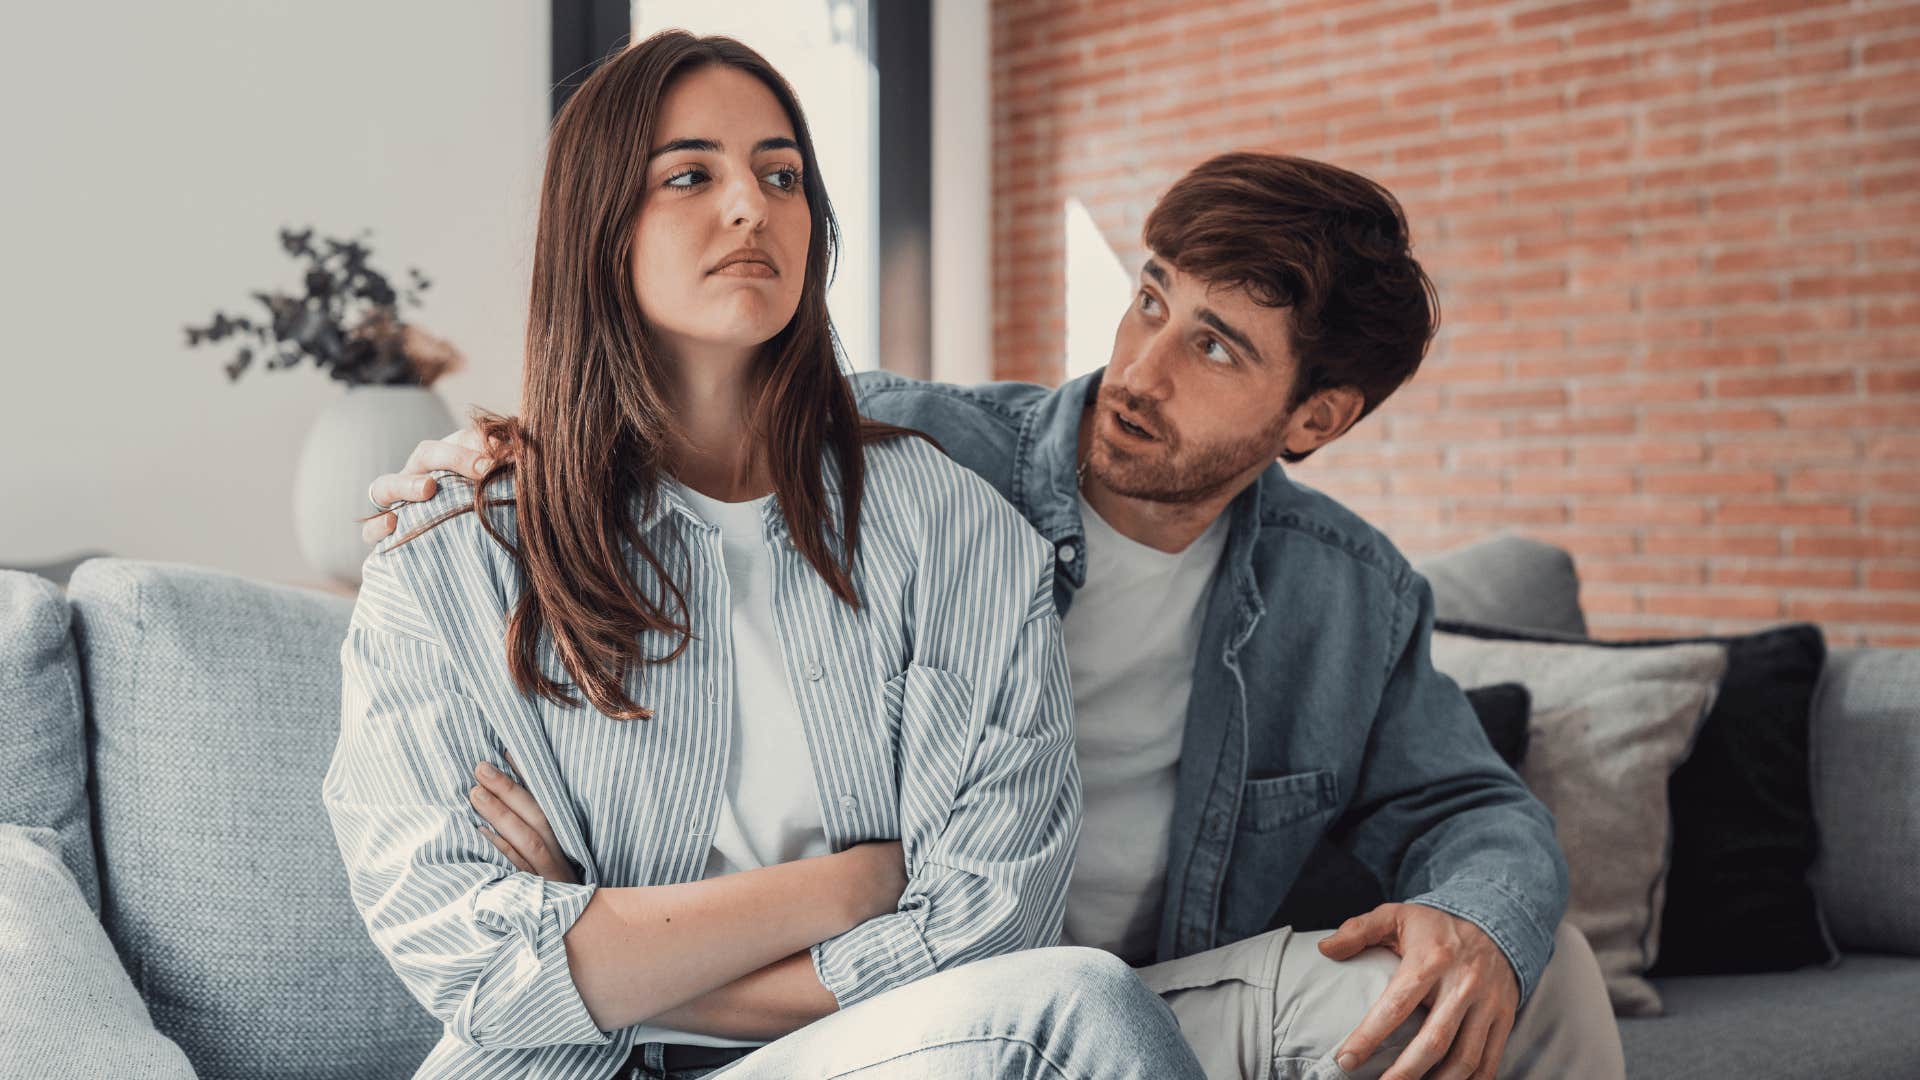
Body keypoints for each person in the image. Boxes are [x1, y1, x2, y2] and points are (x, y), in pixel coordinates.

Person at [367, 151, 1627, 1079]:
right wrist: (498, 464)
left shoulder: (1343, 593)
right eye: (1151, 299)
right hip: (875, 998)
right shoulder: (906, 449)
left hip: (1147, 993)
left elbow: (1471, 807)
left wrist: (1479, 923)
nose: (1140, 370)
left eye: (1218, 348)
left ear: (1316, 420)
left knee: (1537, 972)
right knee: (1064, 1006)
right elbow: (671, 445)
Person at [324, 30, 1206, 1080]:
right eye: (690, 174)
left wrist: (611, 946)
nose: (751, 205)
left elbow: (991, 928)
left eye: (781, 175)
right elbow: (466, 960)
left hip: (878, 1061)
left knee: (1079, 1008)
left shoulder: (954, 531)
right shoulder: (456, 548)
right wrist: (854, 886)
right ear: (598, 230)